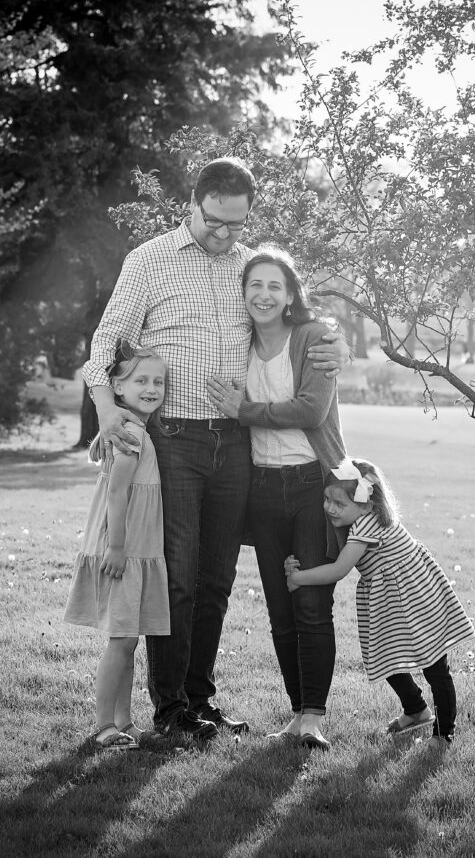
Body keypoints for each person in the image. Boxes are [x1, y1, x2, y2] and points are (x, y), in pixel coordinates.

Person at [81, 157, 348, 740]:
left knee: (217, 579)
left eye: (237, 224)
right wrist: (107, 411)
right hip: (173, 438)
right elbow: (105, 343)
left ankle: (200, 701)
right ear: (193, 205)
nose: (226, 235)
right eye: (215, 223)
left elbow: (292, 315)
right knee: (178, 576)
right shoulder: (149, 260)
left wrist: (333, 344)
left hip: (236, 443)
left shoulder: (245, 269)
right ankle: (170, 707)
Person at [206, 247, 346, 750]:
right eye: (254, 286)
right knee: (280, 610)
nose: (263, 295)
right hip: (261, 489)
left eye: (274, 286)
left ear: (290, 295)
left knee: (311, 603)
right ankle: (296, 713)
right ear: (242, 294)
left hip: (313, 487)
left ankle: (314, 716)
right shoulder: (236, 343)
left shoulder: (313, 338)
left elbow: (311, 411)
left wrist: (246, 411)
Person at [286, 458, 475, 743]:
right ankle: (416, 710)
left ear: (366, 504)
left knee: (435, 665)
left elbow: (339, 569)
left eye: (340, 503)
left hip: (414, 597)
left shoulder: (366, 525)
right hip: (394, 597)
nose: (330, 508)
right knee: (385, 657)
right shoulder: (365, 518)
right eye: (327, 499)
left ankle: (443, 733)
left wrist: (298, 578)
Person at [64, 343, 171, 751]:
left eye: (158, 381)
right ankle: (104, 724)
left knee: (128, 638)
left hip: (133, 548)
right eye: (140, 380)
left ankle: (124, 721)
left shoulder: (134, 428)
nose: (151, 387)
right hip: (124, 548)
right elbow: (119, 492)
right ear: (117, 389)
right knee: (120, 640)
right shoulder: (130, 432)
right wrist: (118, 547)